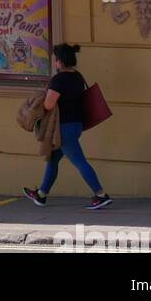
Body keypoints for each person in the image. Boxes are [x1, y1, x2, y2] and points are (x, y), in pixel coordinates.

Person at [24, 43, 112, 209]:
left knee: (80, 161)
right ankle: (41, 195)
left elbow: (49, 105)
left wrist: (37, 103)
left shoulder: (59, 80)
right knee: (53, 158)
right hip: (76, 125)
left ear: (60, 61)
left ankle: (101, 195)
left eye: (56, 61)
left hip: (63, 128)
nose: (56, 64)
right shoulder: (77, 77)